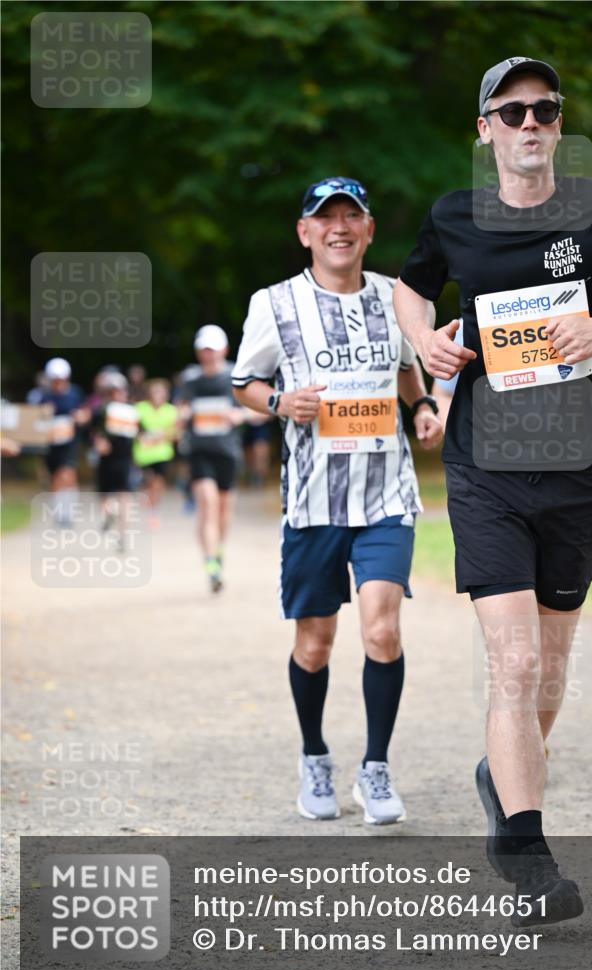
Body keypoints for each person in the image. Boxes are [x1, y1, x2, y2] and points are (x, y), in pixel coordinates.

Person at [393, 57, 592, 923]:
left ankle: (499, 780)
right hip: (483, 469)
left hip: (578, 472)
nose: (527, 124)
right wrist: (422, 348)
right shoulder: (451, 216)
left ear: (557, 122)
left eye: (543, 109)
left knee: (547, 667)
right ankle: (527, 855)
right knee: (511, 662)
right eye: (509, 112)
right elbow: (408, 288)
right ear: (484, 129)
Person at [233, 176, 442, 825]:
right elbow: (245, 381)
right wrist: (277, 402)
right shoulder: (273, 303)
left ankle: (375, 768)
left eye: (352, 216)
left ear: (369, 230)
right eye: (326, 218)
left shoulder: (393, 296)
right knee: (315, 643)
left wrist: (425, 405)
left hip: (386, 493)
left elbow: (409, 365)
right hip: (313, 500)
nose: (339, 227)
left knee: (381, 629)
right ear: (305, 232)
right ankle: (314, 755)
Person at [177, 325, 248, 593]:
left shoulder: (235, 377)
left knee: (223, 511)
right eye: (204, 349)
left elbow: (259, 410)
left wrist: (240, 416)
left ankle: (217, 552)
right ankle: (211, 566)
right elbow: (181, 406)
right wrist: (181, 414)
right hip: (199, 451)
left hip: (227, 453)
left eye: (213, 349)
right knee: (207, 503)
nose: (208, 354)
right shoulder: (190, 379)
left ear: (224, 350)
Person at [434, 339, 592, 429]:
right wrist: (459, 433)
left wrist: (580, 428)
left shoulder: (581, 328)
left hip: (566, 467)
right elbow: (443, 392)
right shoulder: (469, 329)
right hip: (488, 469)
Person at [31, 358, 89, 526]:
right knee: (56, 477)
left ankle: (68, 512)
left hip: (70, 442)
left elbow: (84, 413)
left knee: (67, 473)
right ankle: (59, 512)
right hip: (51, 444)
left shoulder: (75, 393)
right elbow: (35, 419)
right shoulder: (42, 396)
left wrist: (81, 417)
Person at [92, 372, 139, 550]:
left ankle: (122, 536)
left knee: (124, 497)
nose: (117, 394)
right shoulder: (102, 410)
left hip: (125, 459)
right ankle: (109, 515)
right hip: (106, 460)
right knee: (104, 497)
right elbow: (91, 431)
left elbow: (140, 431)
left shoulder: (133, 410)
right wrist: (98, 441)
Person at [134, 378, 179, 528]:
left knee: (157, 483)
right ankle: (148, 502)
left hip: (162, 453)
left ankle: (154, 512)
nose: (158, 395)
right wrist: (142, 436)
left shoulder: (171, 410)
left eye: (161, 392)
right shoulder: (139, 408)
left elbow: (176, 433)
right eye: (155, 391)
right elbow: (133, 428)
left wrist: (162, 436)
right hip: (143, 454)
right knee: (147, 482)